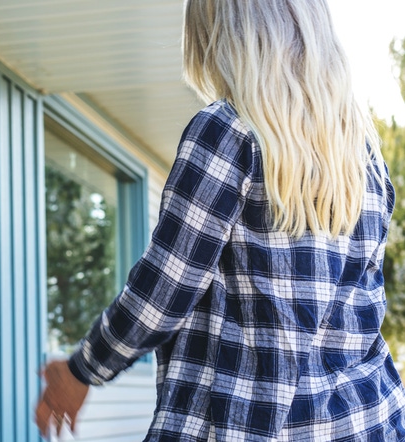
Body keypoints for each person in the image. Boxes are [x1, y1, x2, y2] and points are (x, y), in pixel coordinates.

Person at [35, 0, 405, 440]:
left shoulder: (229, 131)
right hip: (367, 422)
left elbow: (163, 293)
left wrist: (82, 369)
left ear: (220, 36)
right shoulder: (364, 158)